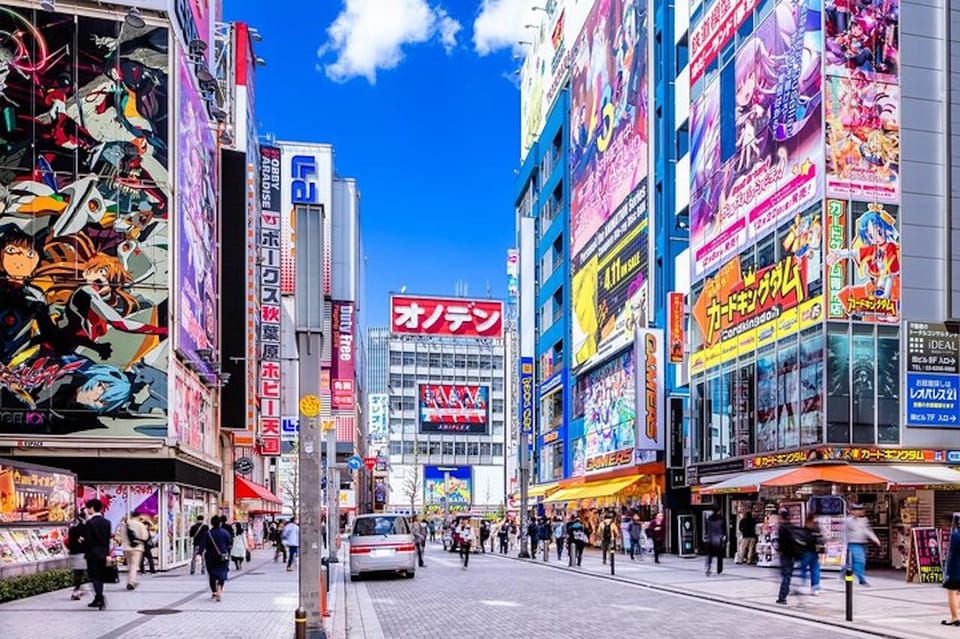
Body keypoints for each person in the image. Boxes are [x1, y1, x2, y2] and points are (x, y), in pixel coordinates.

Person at [82, 498, 112, 611]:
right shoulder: (107, 522)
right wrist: (108, 553)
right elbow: (107, 540)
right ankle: (97, 597)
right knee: (100, 576)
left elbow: (88, 540)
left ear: (92, 508)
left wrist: (82, 540)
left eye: (88, 508)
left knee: (94, 576)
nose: (87, 510)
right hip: (103, 553)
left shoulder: (90, 523)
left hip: (92, 554)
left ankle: (100, 598)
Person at [844, 504, 880, 586]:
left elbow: (867, 530)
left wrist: (875, 539)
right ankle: (861, 580)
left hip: (863, 543)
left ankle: (844, 575)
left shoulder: (864, 520)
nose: (858, 512)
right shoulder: (848, 521)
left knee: (852, 563)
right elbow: (850, 531)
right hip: (853, 543)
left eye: (860, 510)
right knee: (860, 561)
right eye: (856, 510)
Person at [204, 515, 232, 602]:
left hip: (210, 557)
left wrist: (199, 553)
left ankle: (214, 591)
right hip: (223, 556)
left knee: (212, 574)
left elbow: (203, 545)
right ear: (220, 523)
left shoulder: (208, 533)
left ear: (212, 523)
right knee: (222, 572)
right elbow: (230, 543)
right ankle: (220, 586)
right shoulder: (225, 532)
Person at [776, 508, 800, 605]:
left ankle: (782, 597)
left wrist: (779, 549)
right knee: (787, 575)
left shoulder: (782, 528)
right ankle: (785, 592)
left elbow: (782, 543)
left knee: (786, 576)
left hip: (785, 555)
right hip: (792, 554)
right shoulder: (792, 527)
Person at [122, 511, 149, 590]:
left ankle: (131, 580)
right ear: (139, 516)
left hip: (127, 547)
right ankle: (131, 582)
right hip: (137, 548)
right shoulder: (140, 525)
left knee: (130, 565)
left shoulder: (125, 525)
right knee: (134, 566)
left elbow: (122, 536)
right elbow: (145, 537)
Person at [798, 514, 822, 596]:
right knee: (814, 570)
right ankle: (814, 587)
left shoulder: (806, 530)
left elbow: (803, 541)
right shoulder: (816, 530)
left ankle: (806, 585)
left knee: (805, 568)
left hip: (807, 552)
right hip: (812, 551)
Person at [943, 515, 960, 626]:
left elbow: (950, 553)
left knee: (952, 592)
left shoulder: (955, 536)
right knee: (958, 592)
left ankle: (955, 617)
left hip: (956, 568)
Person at [66, 513, 87, 600]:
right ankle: (76, 590)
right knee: (79, 572)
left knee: (77, 572)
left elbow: (70, 541)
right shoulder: (83, 528)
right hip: (81, 553)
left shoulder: (71, 529)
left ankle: (78, 589)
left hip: (73, 552)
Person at [704, 510, 726, 576]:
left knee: (709, 555)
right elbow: (724, 530)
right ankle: (719, 570)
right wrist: (724, 538)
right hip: (719, 540)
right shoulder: (721, 519)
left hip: (710, 539)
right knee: (720, 556)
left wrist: (706, 537)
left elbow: (706, 529)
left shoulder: (709, 519)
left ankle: (708, 567)